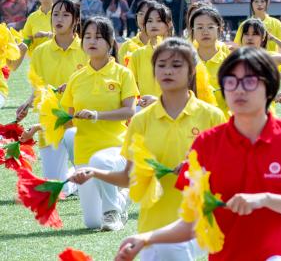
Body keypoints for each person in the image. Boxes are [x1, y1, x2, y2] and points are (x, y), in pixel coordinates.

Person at [113, 47, 281, 261]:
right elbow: (191, 221)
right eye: (231, 82)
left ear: (270, 87)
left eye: (249, 81)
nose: (239, 90)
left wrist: (265, 199)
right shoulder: (206, 144)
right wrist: (145, 238)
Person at [73, 37, 225, 259]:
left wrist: (196, 169)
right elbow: (128, 178)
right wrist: (95, 172)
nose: (167, 71)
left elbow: (227, 172)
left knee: (172, 250)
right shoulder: (141, 120)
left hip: (198, 223)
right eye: (161, 65)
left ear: (192, 71)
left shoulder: (211, 116)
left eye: (176, 65)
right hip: (151, 226)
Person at [61, 17, 138, 230]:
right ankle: (125, 196)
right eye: (87, 36)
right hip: (84, 153)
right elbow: (66, 119)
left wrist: (97, 115)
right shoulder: (76, 78)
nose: (92, 41)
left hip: (117, 147)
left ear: (110, 42)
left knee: (100, 160)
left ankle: (113, 213)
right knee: (92, 222)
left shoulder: (123, 73)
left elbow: (129, 111)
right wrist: (39, 128)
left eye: (98, 37)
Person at [17, 0, 87, 185]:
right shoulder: (40, 52)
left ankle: (78, 176)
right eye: (55, 14)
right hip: (49, 125)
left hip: (82, 124)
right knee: (55, 188)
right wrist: (27, 103)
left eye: (65, 15)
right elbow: (38, 88)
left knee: (89, 182)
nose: (59, 19)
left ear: (76, 19)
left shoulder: (87, 49)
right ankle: (71, 180)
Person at [128, 2, 176, 109]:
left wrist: (158, 101)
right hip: (144, 111)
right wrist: (138, 101)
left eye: (159, 21)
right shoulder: (137, 54)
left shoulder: (178, 53)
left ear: (169, 24)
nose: (154, 25)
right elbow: (130, 87)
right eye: (149, 21)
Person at [189, 5, 233, 115]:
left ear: (219, 29)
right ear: (192, 30)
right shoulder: (186, 61)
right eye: (199, 27)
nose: (205, 32)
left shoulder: (229, 62)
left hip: (223, 121)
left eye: (210, 27)